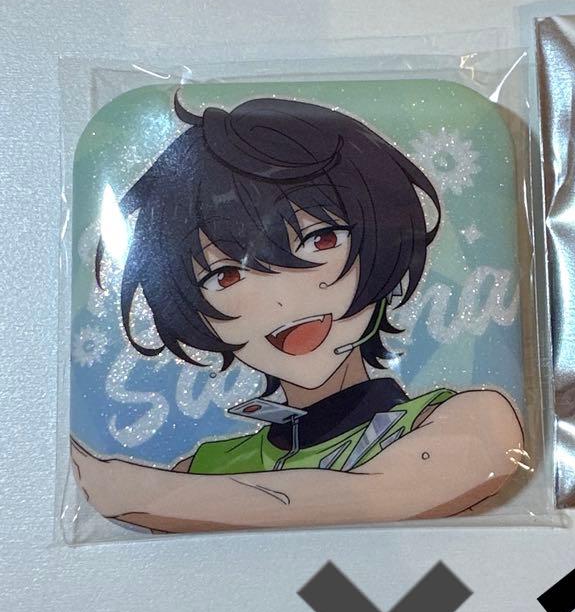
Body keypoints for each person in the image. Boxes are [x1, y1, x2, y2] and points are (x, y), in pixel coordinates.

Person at [70, 93, 523, 532]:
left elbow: (373, 493)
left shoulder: (471, 420)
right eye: (226, 275)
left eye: (319, 239)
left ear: (380, 238)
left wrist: (128, 491)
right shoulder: (204, 468)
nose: (282, 301)